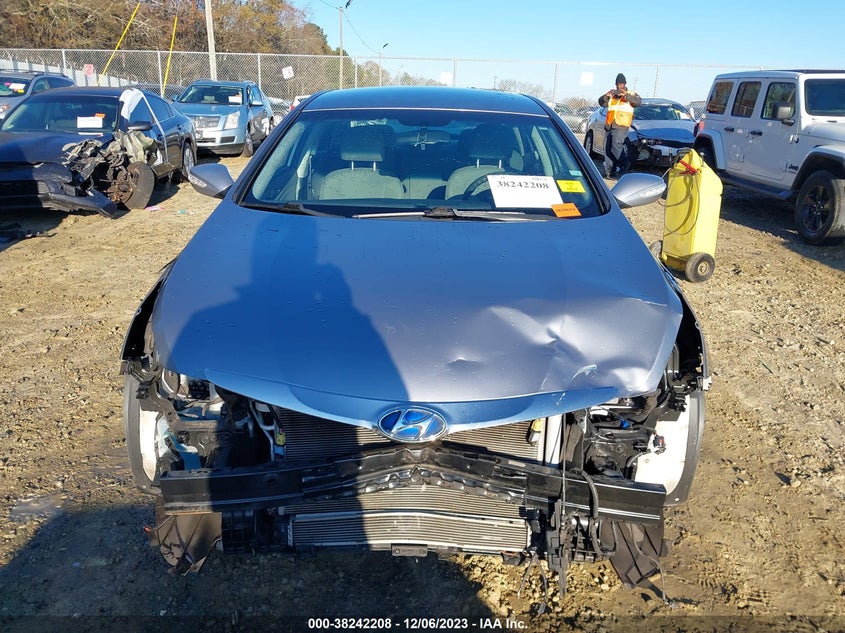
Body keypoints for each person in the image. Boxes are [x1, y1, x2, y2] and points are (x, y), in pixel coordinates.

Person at [598, 73, 641, 178]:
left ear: (625, 84)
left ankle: (625, 164)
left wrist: (625, 95)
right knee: (607, 150)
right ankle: (609, 172)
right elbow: (601, 102)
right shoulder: (613, 94)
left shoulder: (630, 93)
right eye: (617, 84)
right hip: (609, 124)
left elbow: (638, 102)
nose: (619, 86)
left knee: (616, 147)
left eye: (621, 84)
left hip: (621, 124)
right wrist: (606, 96)